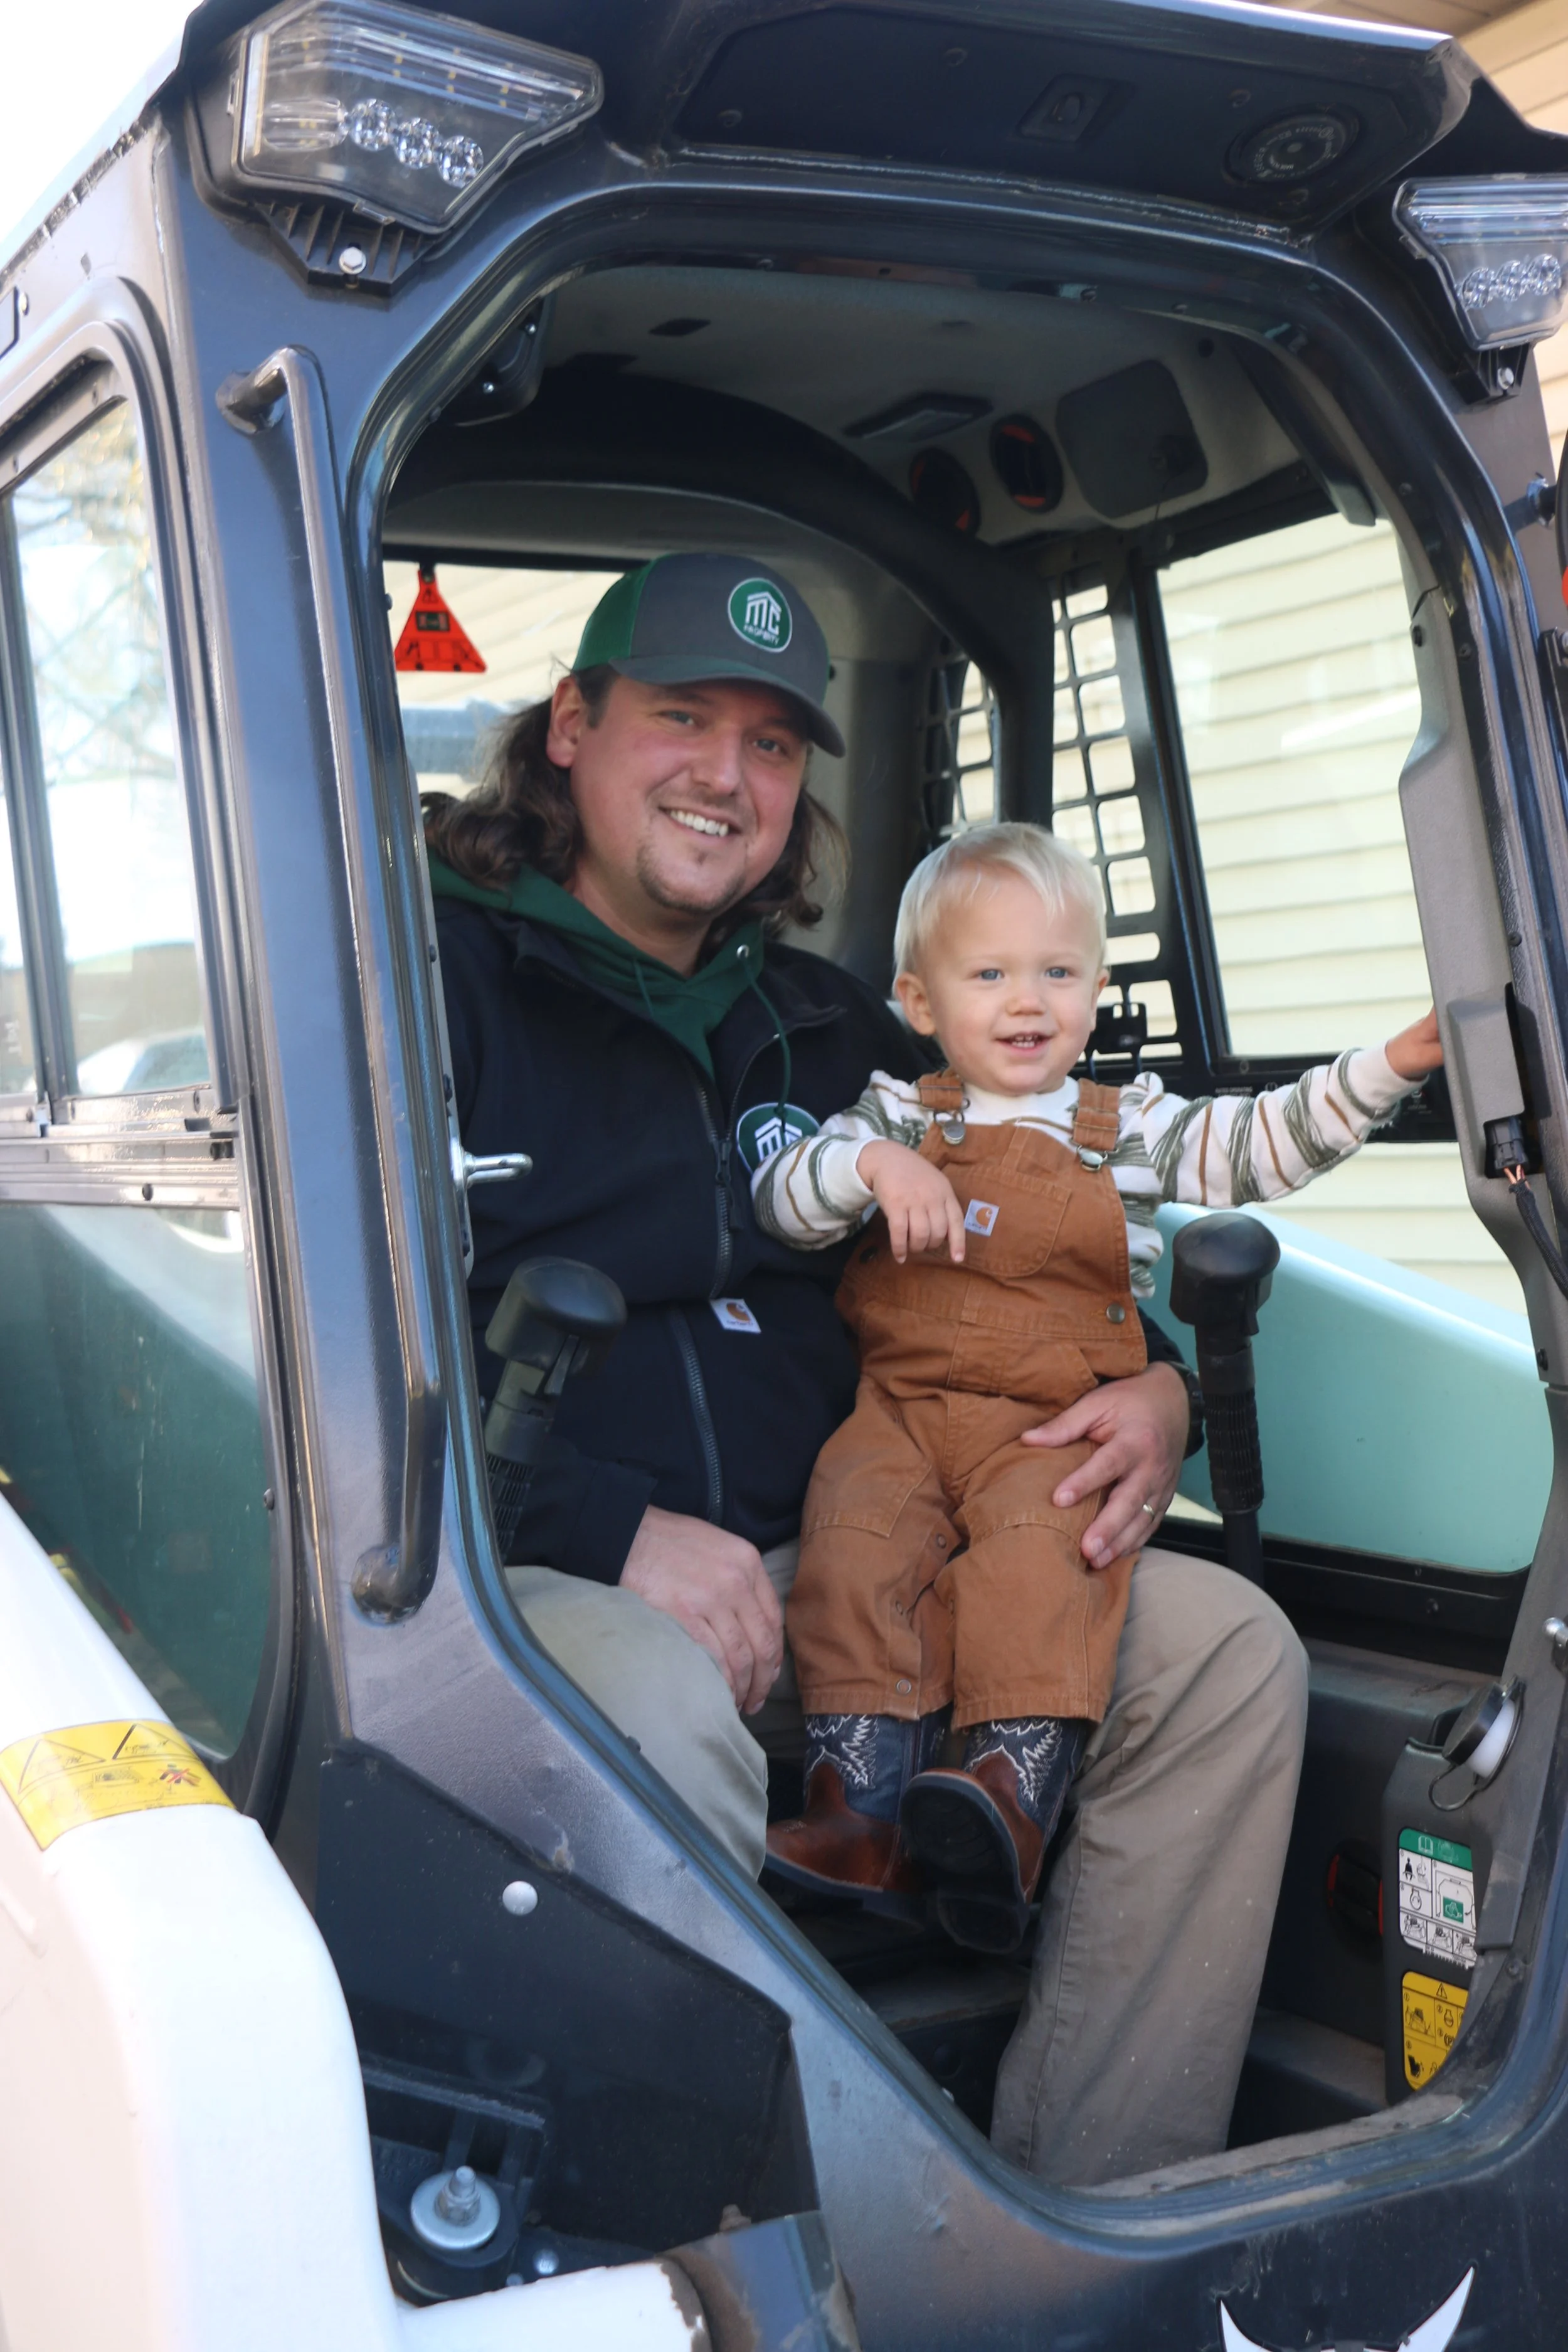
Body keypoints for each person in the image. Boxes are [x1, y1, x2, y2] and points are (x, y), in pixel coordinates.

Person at [427, 549, 1298, 2186]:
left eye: (770, 745)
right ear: (571, 728)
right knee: (654, 1707)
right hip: (531, 1571)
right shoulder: (425, 989)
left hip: (880, 1550)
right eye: (681, 717)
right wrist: (607, 1522)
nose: (725, 775)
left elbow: (1026, 1237)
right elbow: (337, 1370)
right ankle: (733, 2234)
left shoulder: (840, 1034)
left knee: (1224, 1649)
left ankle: (1079, 2203)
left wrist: (1158, 1384)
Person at [757, 822, 1443, 1955]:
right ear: (921, 1002)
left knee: (1044, 1560)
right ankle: (856, 1812)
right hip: (900, 1412)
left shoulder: (1122, 1127)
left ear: (1095, 990)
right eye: (989, 975)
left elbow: (1259, 1144)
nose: (1027, 1002)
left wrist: (1391, 1068)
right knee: (852, 1540)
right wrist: (874, 1167)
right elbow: (786, 1196)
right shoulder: (893, 1113)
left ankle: (1008, 1805)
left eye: (1057, 973)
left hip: (1046, 1425)